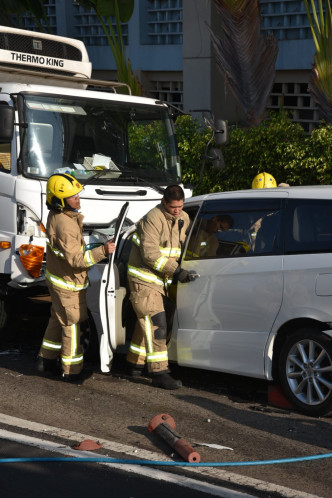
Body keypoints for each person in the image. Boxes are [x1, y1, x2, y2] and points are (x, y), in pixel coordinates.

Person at [37, 173, 116, 382]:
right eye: (73, 197)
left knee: (58, 318)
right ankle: (72, 371)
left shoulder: (59, 216)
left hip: (59, 279)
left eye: (77, 195)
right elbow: (76, 260)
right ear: (59, 201)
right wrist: (103, 251)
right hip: (67, 284)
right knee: (72, 325)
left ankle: (46, 359)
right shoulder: (66, 225)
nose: (78, 199)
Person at [126, 185, 194, 390]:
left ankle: (133, 363)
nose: (177, 210)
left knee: (145, 322)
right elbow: (150, 255)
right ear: (164, 202)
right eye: (173, 207)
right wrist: (176, 271)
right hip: (144, 277)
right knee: (156, 323)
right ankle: (159, 372)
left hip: (161, 279)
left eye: (180, 207)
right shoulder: (153, 219)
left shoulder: (184, 218)